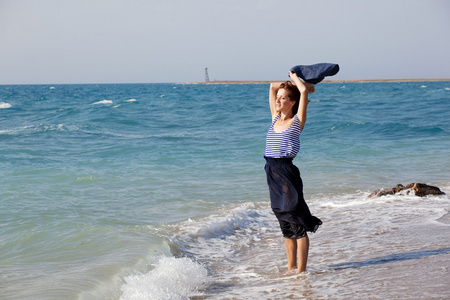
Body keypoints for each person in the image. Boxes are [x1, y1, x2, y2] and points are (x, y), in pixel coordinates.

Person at [264, 71, 322, 273]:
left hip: (287, 173)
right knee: (284, 222)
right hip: (271, 171)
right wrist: (288, 84)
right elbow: (272, 85)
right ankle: (291, 268)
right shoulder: (274, 118)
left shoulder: (296, 122)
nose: (278, 100)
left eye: (282, 98)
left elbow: (304, 91)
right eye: (278, 98)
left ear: (292, 102)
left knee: (296, 221)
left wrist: (296, 80)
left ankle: (301, 271)